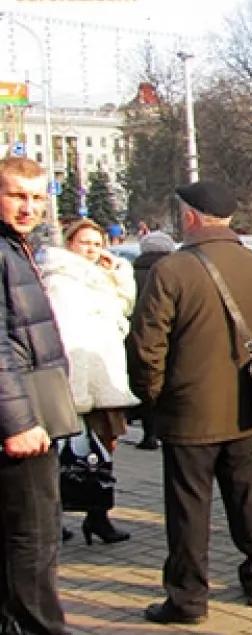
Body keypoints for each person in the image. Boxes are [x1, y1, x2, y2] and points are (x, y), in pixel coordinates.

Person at [129, 180, 252, 624]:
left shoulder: (171, 271)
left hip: (186, 411)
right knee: (248, 495)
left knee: (189, 509)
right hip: (245, 408)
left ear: (191, 218)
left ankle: (188, 599)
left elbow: (146, 346)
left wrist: (152, 394)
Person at [0, 156, 71, 635]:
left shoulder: (16, 247)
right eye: (17, 195)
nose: (28, 207)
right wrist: (18, 422)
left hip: (31, 409)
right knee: (33, 538)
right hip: (21, 422)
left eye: (36, 197)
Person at [40, 219, 140, 545]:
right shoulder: (61, 280)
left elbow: (124, 307)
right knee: (65, 455)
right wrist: (75, 388)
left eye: (98, 244)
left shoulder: (100, 278)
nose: (92, 250)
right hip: (75, 380)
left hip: (105, 379)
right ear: (70, 244)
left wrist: (119, 274)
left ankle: (98, 517)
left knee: (103, 452)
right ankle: (54, 518)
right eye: (85, 243)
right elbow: (67, 335)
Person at [131, 230, 177, 450]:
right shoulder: (173, 274)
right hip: (170, 337)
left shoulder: (131, 272)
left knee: (147, 381)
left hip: (137, 335)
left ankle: (148, 433)